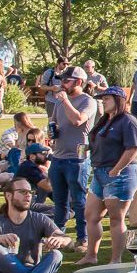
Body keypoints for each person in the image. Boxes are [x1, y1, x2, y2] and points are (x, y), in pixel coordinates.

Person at [77, 87, 137, 266]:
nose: (103, 101)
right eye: (103, 98)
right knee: (91, 214)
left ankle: (116, 260)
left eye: (107, 98)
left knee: (116, 218)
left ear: (118, 100)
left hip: (120, 174)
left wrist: (117, 169)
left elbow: (133, 148)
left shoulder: (128, 121)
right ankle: (91, 255)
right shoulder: (105, 120)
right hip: (99, 172)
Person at [44, 68, 96, 243]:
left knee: (79, 202)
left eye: (66, 81)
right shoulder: (59, 103)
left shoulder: (88, 101)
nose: (62, 84)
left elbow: (78, 120)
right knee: (59, 203)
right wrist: (52, 131)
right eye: (61, 81)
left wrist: (65, 100)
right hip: (58, 157)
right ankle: (59, 237)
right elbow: (54, 122)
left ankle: (83, 238)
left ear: (79, 82)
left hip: (77, 158)